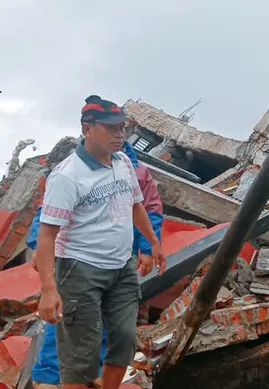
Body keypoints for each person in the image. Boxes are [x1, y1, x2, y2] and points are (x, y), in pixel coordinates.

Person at [35, 95, 166, 389]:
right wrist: (47, 289)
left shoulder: (123, 164)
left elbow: (136, 206)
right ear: (88, 129)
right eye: (111, 128)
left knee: (124, 341)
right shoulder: (67, 177)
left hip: (121, 267)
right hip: (80, 270)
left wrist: (153, 243)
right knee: (81, 356)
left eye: (122, 128)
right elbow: (46, 235)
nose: (120, 135)